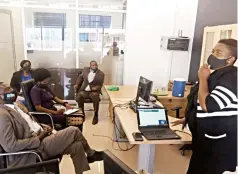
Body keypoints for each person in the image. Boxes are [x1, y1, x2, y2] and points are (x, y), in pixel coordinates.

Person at [0, 83, 103, 174]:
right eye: (7, 90)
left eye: (10, 88)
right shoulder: (2, 115)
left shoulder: (16, 104)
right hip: (34, 149)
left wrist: (42, 127)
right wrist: (39, 137)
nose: (11, 91)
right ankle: (91, 153)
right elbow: (11, 146)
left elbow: (29, 122)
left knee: (77, 145)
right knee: (74, 130)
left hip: (42, 136)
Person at [172, 38, 237, 174]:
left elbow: (209, 106)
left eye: (218, 53)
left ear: (230, 59)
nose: (212, 55)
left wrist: (202, 78)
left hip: (218, 146)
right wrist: (189, 117)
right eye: (213, 51)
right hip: (205, 139)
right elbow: (200, 101)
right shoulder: (218, 75)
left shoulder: (233, 78)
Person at [74, 61, 104, 125]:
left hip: (94, 91)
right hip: (84, 90)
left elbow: (100, 85)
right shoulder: (85, 70)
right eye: (93, 65)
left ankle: (96, 115)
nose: (95, 66)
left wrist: (93, 88)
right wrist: (77, 84)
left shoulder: (101, 74)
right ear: (90, 66)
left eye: (96, 65)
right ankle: (82, 113)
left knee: (95, 98)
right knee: (79, 96)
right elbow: (80, 77)